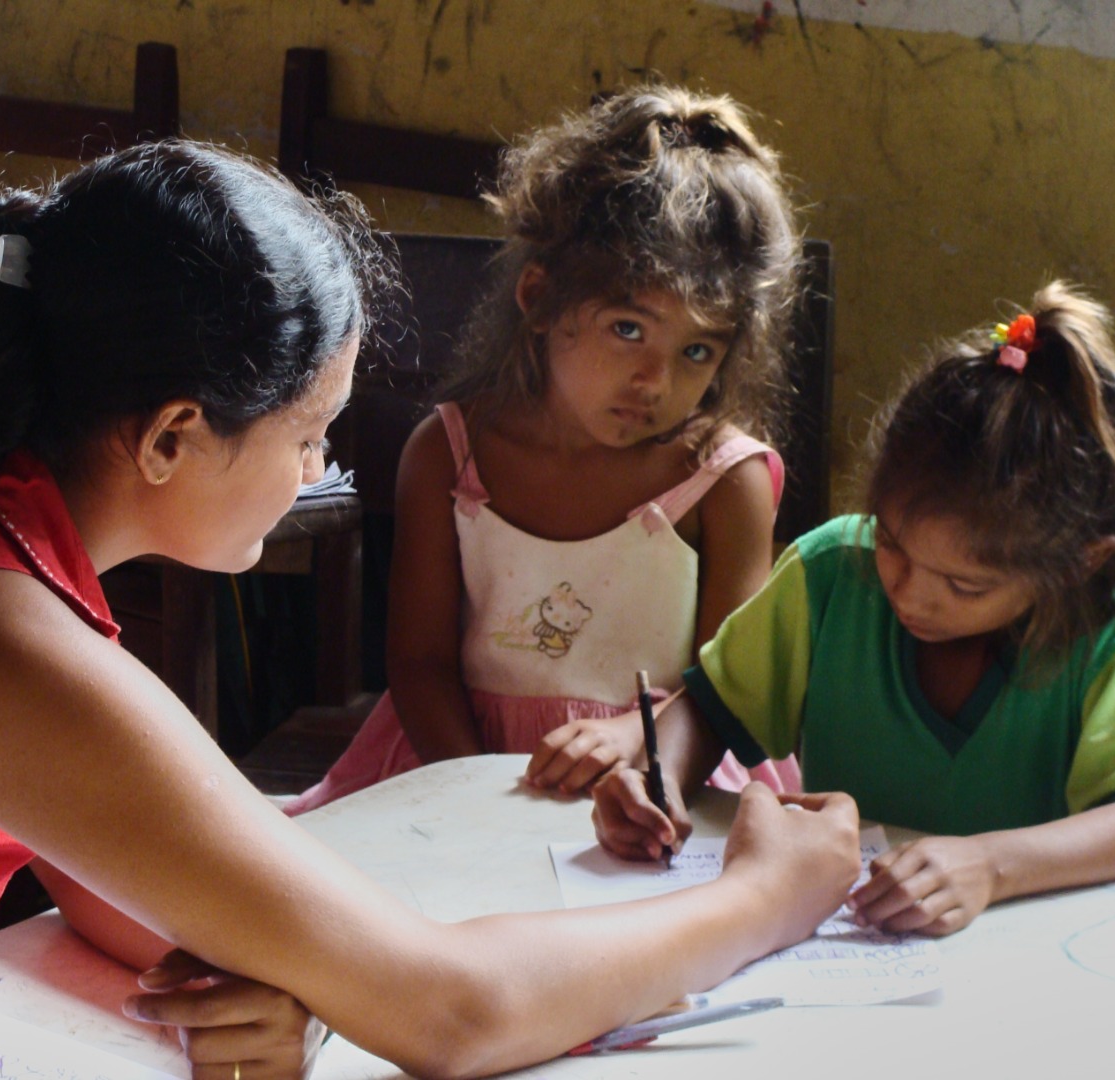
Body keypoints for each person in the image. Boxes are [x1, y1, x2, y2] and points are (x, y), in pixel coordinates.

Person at [0, 138, 864, 1075]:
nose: (320, 469)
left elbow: (92, 842)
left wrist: (298, 970)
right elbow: (454, 1013)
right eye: (306, 433)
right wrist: (768, 897)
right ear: (175, 435)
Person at [592, 280, 1115, 937]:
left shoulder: (1113, 643)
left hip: (1026, 968)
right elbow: (709, 710)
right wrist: (660, 778)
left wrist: (991, 864)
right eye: (893, 546)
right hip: (852, 948)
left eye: (967, 586)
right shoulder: (833, 574)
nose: (909, 593)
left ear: (1082, 562)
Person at [284, 83, 805, 816]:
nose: (656, 380)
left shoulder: (723, 480)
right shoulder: (448, 454)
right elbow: (420, 665)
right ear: (539, 298)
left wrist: (636, 740)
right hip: (453, 764)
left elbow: (729, 690)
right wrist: (481, 800)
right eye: (628, 329)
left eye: (696, 349)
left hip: (663, 777)